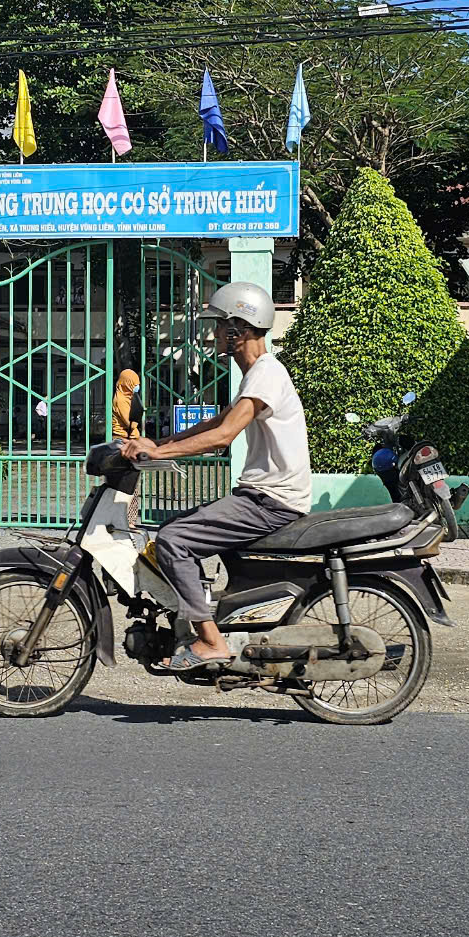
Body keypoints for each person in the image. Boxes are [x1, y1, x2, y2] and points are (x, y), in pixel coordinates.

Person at [117, 281, 308, 670]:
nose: (215, 333)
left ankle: (211, 641)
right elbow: (216, 422)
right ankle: (195, 618)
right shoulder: (256, 376)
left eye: (220, 326)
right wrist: (162, 441)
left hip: (271, 501)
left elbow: (223, 436)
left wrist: (158, 451)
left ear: (239, 328)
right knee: (173, 526)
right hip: (262, 496)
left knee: (173, 539)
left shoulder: (266, 373)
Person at [109, 369, 142, 441]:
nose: (137, 386)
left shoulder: (128, 397)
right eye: (134, 383)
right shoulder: (121, 400)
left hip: (129, 436)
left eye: (137, 383)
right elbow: (131, 425)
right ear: (127, 383)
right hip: (123, 437)